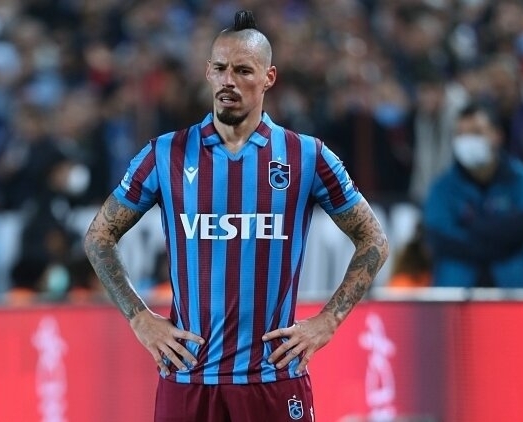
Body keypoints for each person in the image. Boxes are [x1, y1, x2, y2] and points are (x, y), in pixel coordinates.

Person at [83, 11, 389, 422]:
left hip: (273, 379)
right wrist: (140, 318)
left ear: (268, 78)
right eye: (220, 68)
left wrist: (328, 322)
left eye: (243, 70)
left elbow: (374, 241)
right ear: (208, 72)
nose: (229, 80)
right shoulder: (164, 154)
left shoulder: (307, 155)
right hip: (188, 380)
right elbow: (98, 237)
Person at [423, 103, 523, 288]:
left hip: (516, 290)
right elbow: (439, 237)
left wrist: (472, 226)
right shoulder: (441, 188)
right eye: (460, 134)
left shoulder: (521, 179)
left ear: (497, 135)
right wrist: (497, 234)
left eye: (476, 132)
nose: (467, 140)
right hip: (455, 291)